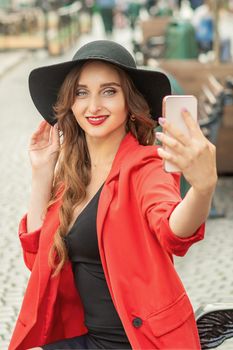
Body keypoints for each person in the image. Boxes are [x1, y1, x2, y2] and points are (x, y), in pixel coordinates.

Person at [9, 40, 217, 350]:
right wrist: (42, 173)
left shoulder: (146, 164)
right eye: (82, 93)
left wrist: (203, 188)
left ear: (129, 103)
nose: (93, 106)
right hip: (86, 338)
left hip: (137, 342)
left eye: (109, 91)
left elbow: (174, 230)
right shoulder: (73, 177)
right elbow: (39, 261)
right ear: (71, 103)